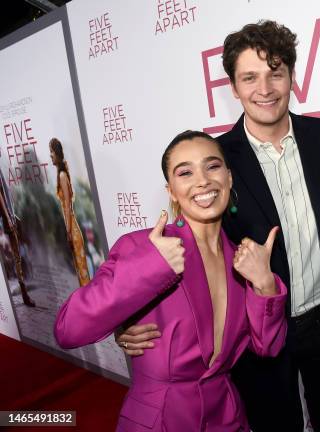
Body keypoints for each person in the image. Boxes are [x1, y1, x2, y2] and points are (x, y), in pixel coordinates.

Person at [116, 21, 320, 432]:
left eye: (276, 73)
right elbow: (188, 247)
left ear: (291, 79)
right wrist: (132, 319)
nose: (264, 88)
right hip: (257, 333)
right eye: (250, 77)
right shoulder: (217, 161)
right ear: (233, 87)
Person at [54, 131, 288, 431]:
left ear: (229, 178)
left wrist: (265, 285)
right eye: (185, 172)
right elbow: (68, 330)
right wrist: (150, 269)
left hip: (227, 418)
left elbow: (268, 347)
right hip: (161, 420)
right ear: (172, 191)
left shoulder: (243, 260)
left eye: (212, 166)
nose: (202, 180)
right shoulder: (142, 248)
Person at [49, 138, 90, 286]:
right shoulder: (61, 174)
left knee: (82, 273)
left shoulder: (62, 176)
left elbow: (67, 205)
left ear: (58, 153)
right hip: (71, 229)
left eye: (52, 152)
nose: (50, 155)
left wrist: (67, 232)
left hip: (72, 230)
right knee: (80, 273)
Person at [0, 170, 34, 307]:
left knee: (17, 256)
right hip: (6, 218)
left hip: (9, 216)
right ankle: (25, 294)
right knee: (16, 256)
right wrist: (8, 218)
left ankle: (25, 292)